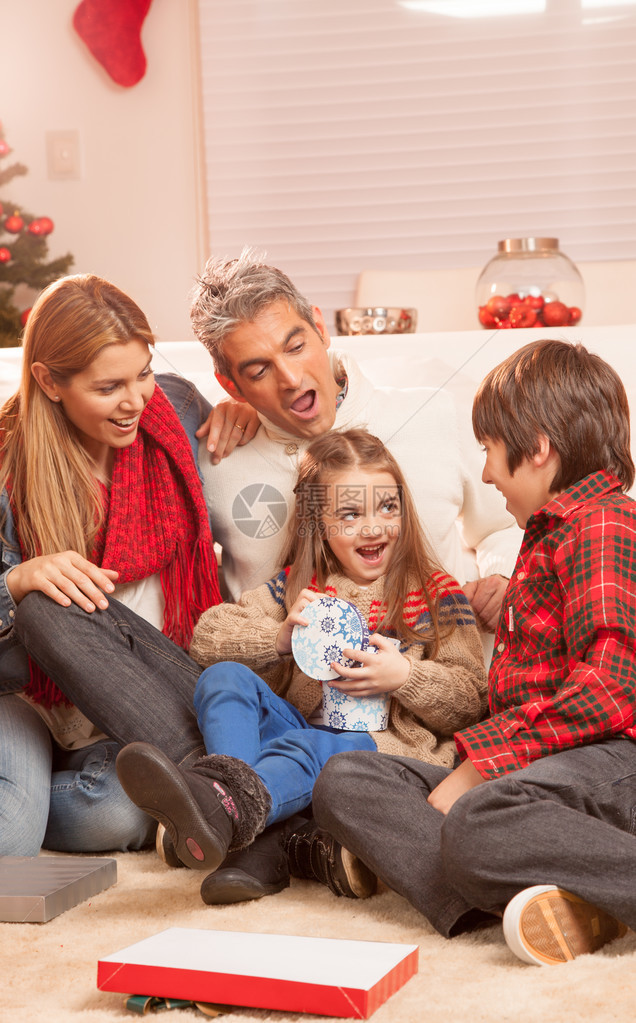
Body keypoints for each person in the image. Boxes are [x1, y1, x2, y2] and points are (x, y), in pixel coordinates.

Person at [305, 339, 636, 966]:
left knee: (478, 820)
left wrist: (483, 768)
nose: (485, 473)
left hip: (610, 760)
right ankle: (541, 897)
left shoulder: (603, 525)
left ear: (537, 448)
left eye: (489, 451)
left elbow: (613, 689)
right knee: (347, 778)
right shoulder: (548, 538)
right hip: (544, 769)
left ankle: (515, 871)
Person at [116, 428, 488, 904]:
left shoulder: (437, 595)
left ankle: (221, 809)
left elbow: (473, 701)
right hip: (291, 735)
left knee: (311, 746)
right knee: (223, 678)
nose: (373, 528)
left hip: (379, 751)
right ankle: (233, 809)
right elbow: (206, 638)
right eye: (351, 515)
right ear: (320, 524)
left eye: (387, 508)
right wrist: (278, 639)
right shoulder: (298, 589)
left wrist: (406, 679)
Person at [0, 272, 252, 856]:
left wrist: (245, 416)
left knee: (117, 815)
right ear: (49, 381)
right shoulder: (9, 461)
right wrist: (16, 579)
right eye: (109, 385)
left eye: (142, 372)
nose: (137, 399)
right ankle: (26, 798)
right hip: (25, 693)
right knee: (12, 835)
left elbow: (271, 447)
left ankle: (46, 796)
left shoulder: (179, 410)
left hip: (132, 694)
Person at [190, 249, 522, 630]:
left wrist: (504, 577)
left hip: (438, 671)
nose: (291, 379)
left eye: (296, 347)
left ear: (320, 327)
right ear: (231, 385)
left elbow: (503, 524)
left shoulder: (434, 415)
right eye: (259, 370)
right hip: (285, 686)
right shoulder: (217, 462)